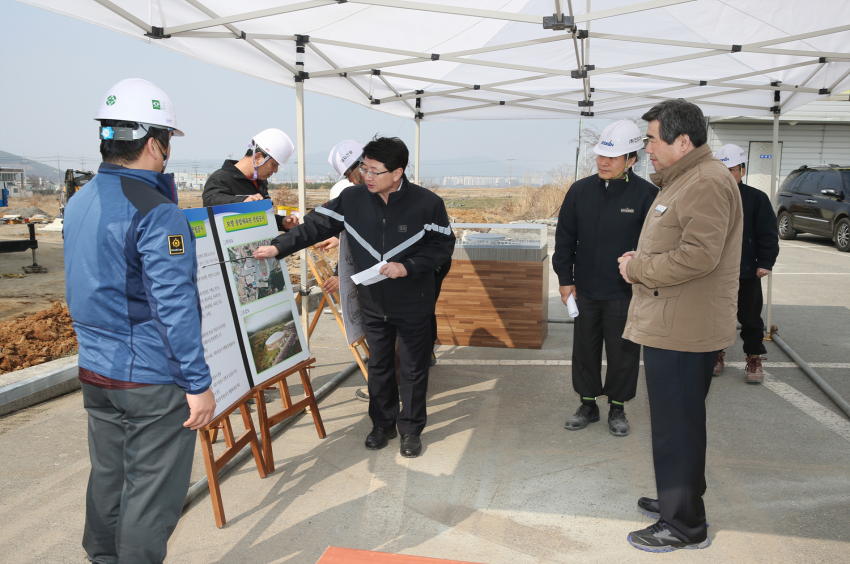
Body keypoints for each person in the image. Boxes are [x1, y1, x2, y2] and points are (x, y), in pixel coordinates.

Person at [64, 78, 216, 563]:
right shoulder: (157, 212)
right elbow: (174, 307)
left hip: (95, 371)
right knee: (151, 497)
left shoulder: (79, 200)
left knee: (108, 479)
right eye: (168, 142)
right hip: (149, 378)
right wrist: (197, 382)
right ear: (155, 143)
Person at [252, 136, 455, 458]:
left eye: (375, 170)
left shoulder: (427, 203)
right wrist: (279, 247)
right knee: (379, 366)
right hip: (372, 302)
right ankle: (382, 424)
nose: (367, 176)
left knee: (414, 369)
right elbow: (315, 226)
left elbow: (442, 247)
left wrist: (410, 267)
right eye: (364, 168)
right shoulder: (352, 199)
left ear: (397, 173)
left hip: (413, 301)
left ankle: (411, 430)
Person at [617, 99, 743, 552]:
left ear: (682, 141)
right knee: (677, 422)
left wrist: (637, 267)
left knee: (677, 426)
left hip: (685, 327)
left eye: (651, 139)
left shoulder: (705, 183)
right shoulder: (688, 178)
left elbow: (698, 256)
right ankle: (679, 499)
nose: (646, 147)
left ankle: (685, 525)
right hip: (676, 321)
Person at [554, 120, 658, 437]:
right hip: (584, 289)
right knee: (584, 349)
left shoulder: (647, 195)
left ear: (631, 160)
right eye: (600, 155)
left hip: (624, 293)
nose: (603, 162)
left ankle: (617, 408)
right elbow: (564, 239)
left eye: (612, 157)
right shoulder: (579, 191)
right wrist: (564, 279)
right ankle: (588, 404)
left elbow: (654, 246)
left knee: (622, 352)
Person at [712, 144, 779, 383]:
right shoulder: (706, 197)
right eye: (723, 169)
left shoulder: (756, 198)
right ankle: (716, 354)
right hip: (713, 271)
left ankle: (753, 357)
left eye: (733, 169)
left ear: (742, 169)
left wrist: (765, 262)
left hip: (747, 270)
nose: (728, 174)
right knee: (717, 316)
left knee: (750, 317)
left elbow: (768, 233)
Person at [202, 128, 300, 231]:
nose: (275, 170)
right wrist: (242, 201)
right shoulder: (221, 178)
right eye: (274, 165)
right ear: (258, 157)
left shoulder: (259, 181)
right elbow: (211, 201)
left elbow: (260, 217)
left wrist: (281, 222)